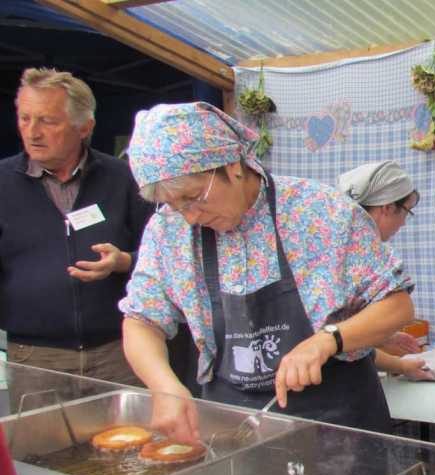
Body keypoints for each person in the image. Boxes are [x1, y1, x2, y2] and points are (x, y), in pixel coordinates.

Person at [120, 102, 415, 444]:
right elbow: (141, 320)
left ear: (232, 165)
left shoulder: (321, 213)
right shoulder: (168, 232)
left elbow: (397, 306)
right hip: (233, 426)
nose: (189, 216)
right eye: (174, 205)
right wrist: (163, 387)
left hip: (337, 423)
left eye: (193, 197)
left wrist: (327, 340)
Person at [0, 68, 152, 386]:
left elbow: (166, 255)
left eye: (47, 121)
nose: (32, 132)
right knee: (42, 439)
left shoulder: (124, 178)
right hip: (35, 358)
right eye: (25, 118)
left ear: (85, 127)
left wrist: (125, 261)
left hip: (120, 350)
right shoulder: (2, 183)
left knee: (129, 436)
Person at [337, 161, 435, 382]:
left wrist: (380, 341)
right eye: (406, 212)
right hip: (336, 388)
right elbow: (330, 344)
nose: (403, 223)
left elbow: (337, 341)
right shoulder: (369, 255)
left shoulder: (331, 246)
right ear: (388, 208)